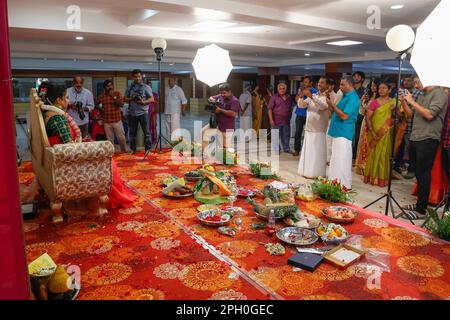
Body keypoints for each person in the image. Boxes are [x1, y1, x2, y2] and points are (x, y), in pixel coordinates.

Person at [36, 82, 136, 211]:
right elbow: (69, 149)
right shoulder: (58, 119)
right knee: (110, 162)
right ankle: (112, 196)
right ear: (58, 100)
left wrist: (83, 141)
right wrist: (87, 145)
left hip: (58, 159)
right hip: (67, 163)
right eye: (66, 97)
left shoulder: (47, 114)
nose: (69, 100)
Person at [403, 84, 448, 219]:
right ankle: (419, 203)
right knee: (417, 172)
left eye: (418, 80)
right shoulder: (422, 94)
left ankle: (421, 210)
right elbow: (411, 115)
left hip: (428, 138)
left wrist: (412, 101)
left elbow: (429, 114)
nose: (416, 84)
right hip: (415, 136)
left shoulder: (440, 94)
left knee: (424, 174)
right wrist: (405, 103)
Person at [363, 80, 411, 186]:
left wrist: (395, 111)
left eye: (384, 88)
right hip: (375, 132)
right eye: (380, 88)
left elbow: (402, 118)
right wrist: (372, 131)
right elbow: (368, 117)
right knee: (374, 154)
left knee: (385, 154)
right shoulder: (374, 102)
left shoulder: (395, 102)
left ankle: (382, 178)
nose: (381, 90)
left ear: (389, 90)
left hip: (388, 132)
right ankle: (372, 177)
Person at [326, 75, 360, 190]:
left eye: (342, 84)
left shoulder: (353, 98)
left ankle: (342, 184)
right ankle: (335, 182)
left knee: (341, 160)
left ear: (350, 85)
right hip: (338, 131)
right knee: (336, 158)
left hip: (344, 132)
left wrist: (333, 105)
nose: (340, 86)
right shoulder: (345, 96)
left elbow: (344, 116)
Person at [297, 77, 329, 178]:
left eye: (322, 83)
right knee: (308, 152)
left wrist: (311, 96)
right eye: (319, 82)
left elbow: (322, 106)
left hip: (318, 130)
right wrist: (301, 97)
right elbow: (301, 105)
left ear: (327, 85)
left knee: (316, 153)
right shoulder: (314, 95)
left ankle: (315, 173)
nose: (319, 84)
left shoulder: (327, 97)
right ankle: (306, 171)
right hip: (309, 128)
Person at [124, 69, 154, 153]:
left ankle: (148, 150)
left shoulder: (146, 87)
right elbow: (124, 99)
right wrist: (132, 98)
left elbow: (152, 99)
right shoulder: (130, 87)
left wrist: (144, 102)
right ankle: (133, 149)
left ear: (141, 77)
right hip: (132, 113)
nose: (137, 78)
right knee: (132, 133)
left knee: (147, 133)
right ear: (132, 77)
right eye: (135, 77)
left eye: (139, 76)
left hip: (143, 113)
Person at [355, 79, 380, 175]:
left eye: (375, 86)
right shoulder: (369, 97)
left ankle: (369, 166)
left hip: (375, 123)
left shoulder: (380, 99)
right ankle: (362, 166)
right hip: (365, 122)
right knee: (363, 143)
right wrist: (362, 101)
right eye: (372, 86)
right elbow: (361, 112)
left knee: (370, 143)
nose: (373, 88)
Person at [97, 80, 127, 152]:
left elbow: (121, 104)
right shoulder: (101, 96)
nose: (110, 87)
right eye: (108, 86)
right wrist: (100, 108)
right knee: (110, 140)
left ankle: (124, 152)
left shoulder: (117, 93)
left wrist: (113, 97)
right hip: (107, 121)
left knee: (121, 138)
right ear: (104, 88)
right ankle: (112, 154)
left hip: (117, 120)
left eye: (111, 85)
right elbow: (96, 104)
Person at [208, 83, 240, 148]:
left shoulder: (234, 101)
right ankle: (220, 157)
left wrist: (220, 110)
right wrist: (211, 100)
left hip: (228, 127)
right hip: (219, 125)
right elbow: (210, 98)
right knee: (220, 146)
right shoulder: (220, 96)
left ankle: (227, 157)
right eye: (221, 93)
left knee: (226, 147)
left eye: (224, 93)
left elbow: (233, 113)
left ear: (230, 92)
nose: (222, 95)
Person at [294, 76, 317, 157]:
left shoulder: (314, 91)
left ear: (311, 83)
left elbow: (314, 102)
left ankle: (307, 151)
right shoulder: (300, 89)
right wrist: (300, 95)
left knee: (308, 133)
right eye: (304, 82)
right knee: (297, 133)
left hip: (308, 115)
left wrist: (307, 94)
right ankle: (297, 150)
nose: (305, 83)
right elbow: (296, 99)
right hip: (299, 114)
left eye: (306, 82)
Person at [268, 83, 294, 154]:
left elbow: (290, 108)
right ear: (278, 89)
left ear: (285, 89)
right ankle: (276, 149)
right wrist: (271, 119)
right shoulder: (274, 97)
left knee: (286, 135)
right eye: (280, 88)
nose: (282, 90)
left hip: (286, 121)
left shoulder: (289, 98)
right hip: (276, 120)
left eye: (283, 88)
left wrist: (289, 116)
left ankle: (286, 148)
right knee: (275, 135)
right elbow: (269, 109)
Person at [352, 71, 366, 160]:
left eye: (358, 76)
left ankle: (354, 156)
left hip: (359, 116)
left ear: (362, 78)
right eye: (355, 76)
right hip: (349, 115)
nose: (356, 78)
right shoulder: (350, 89)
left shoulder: (364, 90)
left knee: (357, 136)